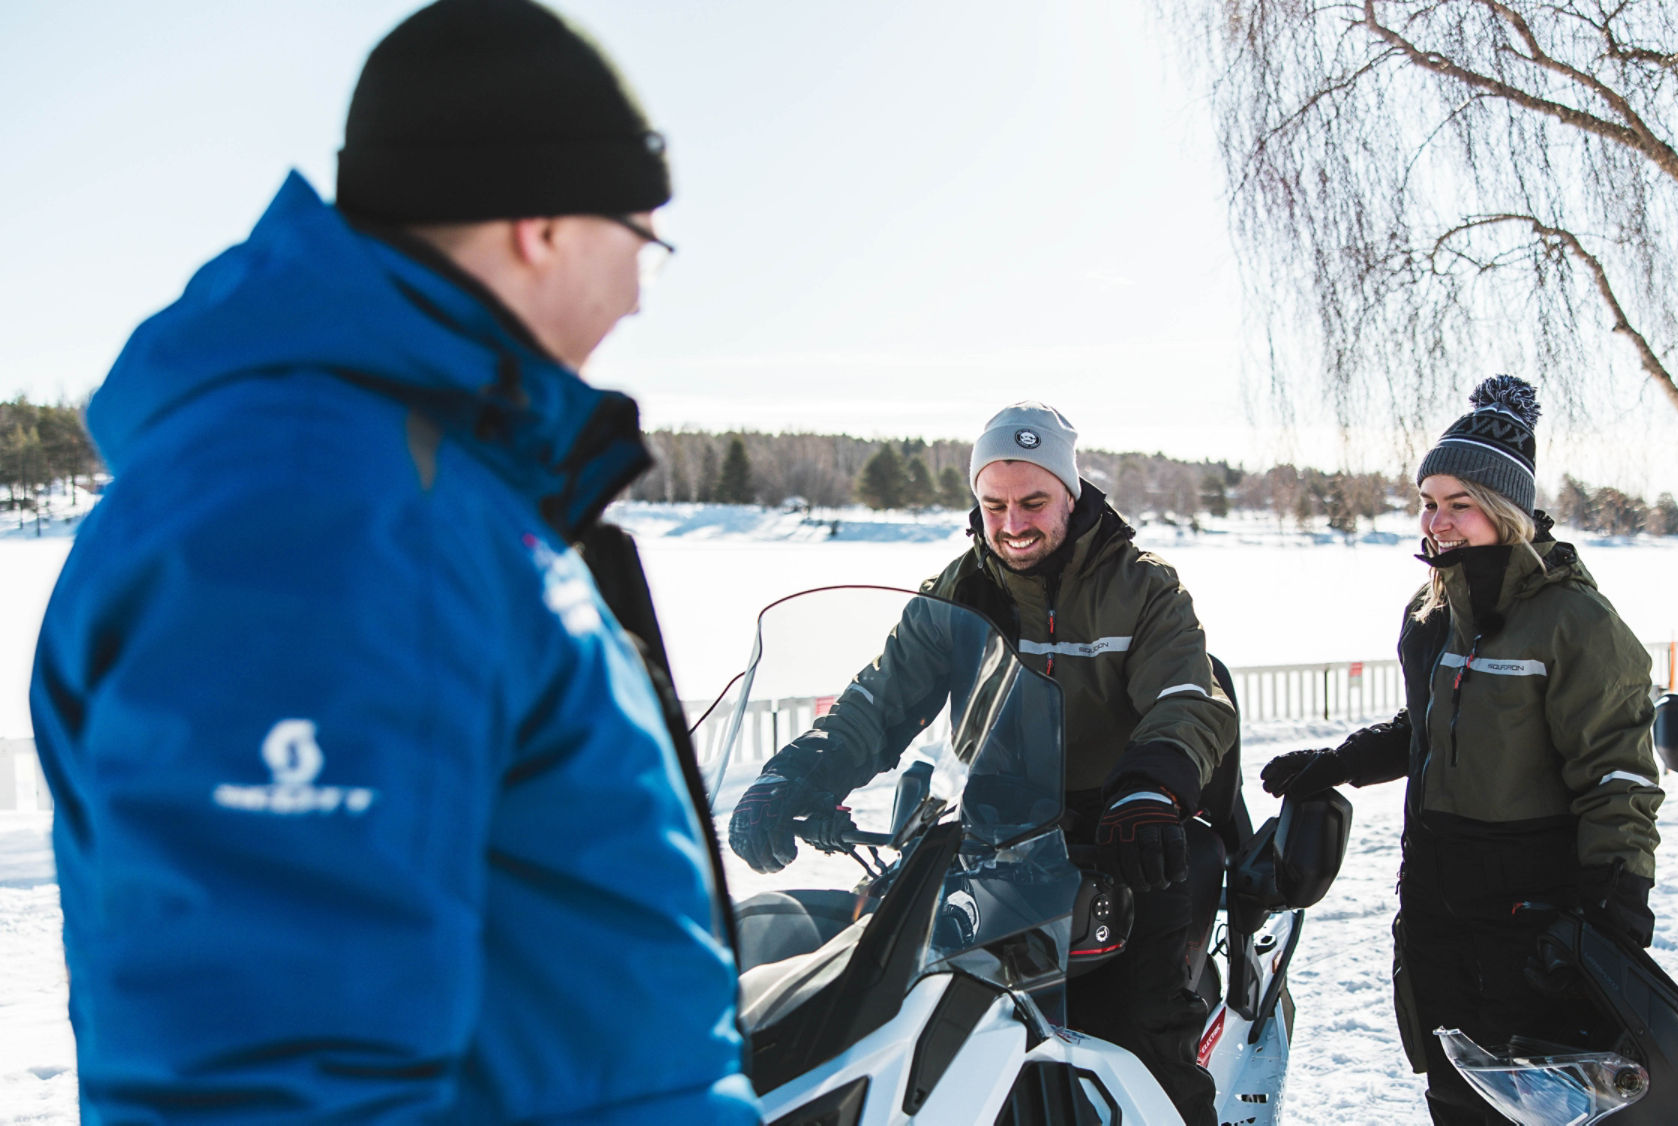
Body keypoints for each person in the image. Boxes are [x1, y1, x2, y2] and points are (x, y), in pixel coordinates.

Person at [28, 1, 757, 1120]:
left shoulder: (417, 482)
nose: (642, 289)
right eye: (642, 239)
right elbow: (270, 1071)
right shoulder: (320, 505)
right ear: (541, 224)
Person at [729, 402, 1237, 1126]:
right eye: (993, 504)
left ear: (1071, 493)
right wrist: (798, 773)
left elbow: (1188, 696)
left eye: (1033, 501)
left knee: (1142, 1020)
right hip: (993, 834)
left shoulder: (1142, 587)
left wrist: (1150, 791)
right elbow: (881, 699)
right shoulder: (958, 591)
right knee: (901, 1002)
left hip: (1123, 833)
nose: (1012, 523)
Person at [1261, 376, 1663, 1126]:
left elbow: (1619, 775)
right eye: (1428, 501)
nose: (1436, 521)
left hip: (1533, 906)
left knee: (1537, 1096)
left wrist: (1613, 904)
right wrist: (1345, 760)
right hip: (1438, 891)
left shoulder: (1573, 621)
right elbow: (1436, 727)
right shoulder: (1436, 607)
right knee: (1453, 1083)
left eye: (1460, 504)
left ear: (1506, 512)